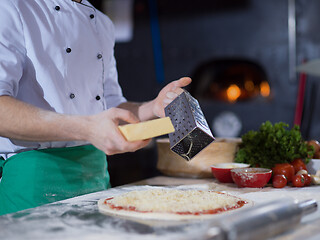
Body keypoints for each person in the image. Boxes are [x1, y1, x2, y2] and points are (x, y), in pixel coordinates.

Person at [0, 0, 191, 215]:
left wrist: (153, 107)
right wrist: (88, 128)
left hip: (95, 177)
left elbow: (110, 105)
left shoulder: (102, 23)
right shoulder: (13, 8)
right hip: (33, 182)